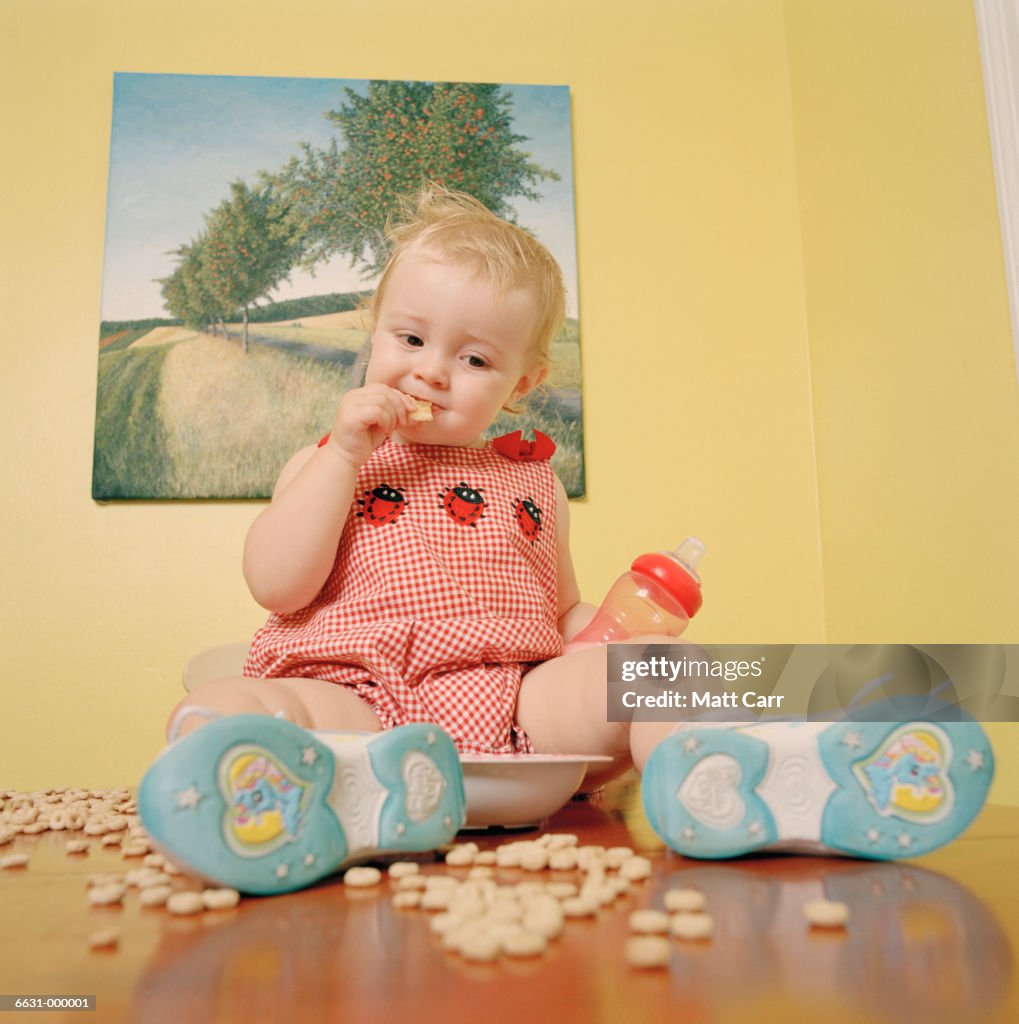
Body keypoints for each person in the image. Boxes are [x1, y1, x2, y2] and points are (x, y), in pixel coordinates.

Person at [138, 184, 994, 895]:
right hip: (357, 692)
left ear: (523, 382)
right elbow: (277, 585)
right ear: (373, 333)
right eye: (408, 339)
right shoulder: (332, 461)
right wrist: (343, 456)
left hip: (507, 708)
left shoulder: (533, 483)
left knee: (659, 677)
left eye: (474, 360)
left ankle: (736, 781)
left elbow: (559, 615)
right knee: (260, 703)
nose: (432, 371)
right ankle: (252, 776)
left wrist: (629, 647)